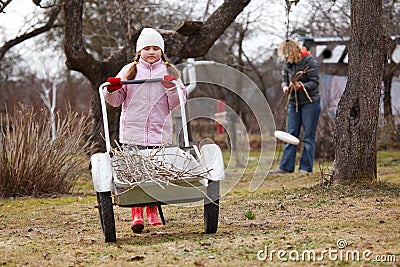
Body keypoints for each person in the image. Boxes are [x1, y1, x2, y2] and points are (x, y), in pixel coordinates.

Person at [103, 28, 186, 233]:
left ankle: (152, 211)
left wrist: (170, 87)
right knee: (136, 172)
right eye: (147, 48)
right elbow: (116, 100)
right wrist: (112, 89)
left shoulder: (169, 72)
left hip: (159, 131)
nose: (151, 52)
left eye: (156, 48)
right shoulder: (128, 71)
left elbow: (178, 102)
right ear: (139, 51)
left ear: (162, 51)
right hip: (133, 130)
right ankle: (137, 213)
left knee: (156, 172)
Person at [270, 38, 320, 174]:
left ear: (294, 51)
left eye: (288, 54)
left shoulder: (309, 61)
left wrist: (300, 86)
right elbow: (284, 77)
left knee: (308, 136)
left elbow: (315, 82)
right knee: (291, 134)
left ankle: (305, 168)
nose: (286, 57)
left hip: (310, 103)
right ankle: (286, 167)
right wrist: (285, 86)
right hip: (294, 103)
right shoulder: (288, 63)